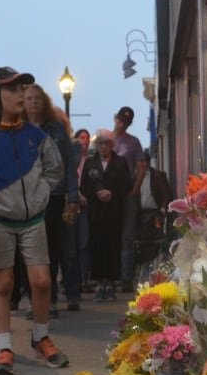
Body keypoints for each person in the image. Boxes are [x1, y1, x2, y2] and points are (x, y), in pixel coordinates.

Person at [0, 68, 69, 375]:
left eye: (22, 88)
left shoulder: (36, 135)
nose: (19, 95)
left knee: (42, 281)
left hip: (33, 219)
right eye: (11, 89)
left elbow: (55, 169)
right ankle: (4, 347)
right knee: (3, 283)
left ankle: (40, 336)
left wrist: (41, 195)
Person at [23, 84, 81, 314]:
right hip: (26, 196)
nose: (33, 102)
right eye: (29, 98)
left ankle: (51, 299)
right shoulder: (18, 129)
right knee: (28, 249)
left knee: (51, 248)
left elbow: (68, 165)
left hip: (53, 195)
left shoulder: (56, 130)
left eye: (37, 97)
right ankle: (32, 298)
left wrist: (73, 195)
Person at [80, 128, 131, 302]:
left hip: (114, 210)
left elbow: (127, 185)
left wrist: (113, 194)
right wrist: (96, 193)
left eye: (107, 143)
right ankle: (99, 282)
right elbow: (84, 186)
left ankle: (110, 282)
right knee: (97, 246)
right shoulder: (90, 163)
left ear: (112, 145)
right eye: (100, 143)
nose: (103, 147)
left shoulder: (120, 162)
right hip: (96, 211)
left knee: (113, 246)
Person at [111, 105, 145, 293]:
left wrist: (135, 189)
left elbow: (141, 167)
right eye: (120, 119)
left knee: (127, 236)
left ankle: (125, 278)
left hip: (127, 194)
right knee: (111, 235)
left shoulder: (133, 142)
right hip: (111, 196)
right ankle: (111, 275)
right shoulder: (106, 139)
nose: (122, 124)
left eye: (126, 121)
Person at [73, 128, 92, 291]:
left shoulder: (91, 161)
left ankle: (84, 278)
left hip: (86, 204)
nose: (85, 141)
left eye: (87, 138)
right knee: (71, 243)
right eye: (82, 137)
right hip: (72, 203)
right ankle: (72, 280)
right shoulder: (72, 159)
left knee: (84, 242)